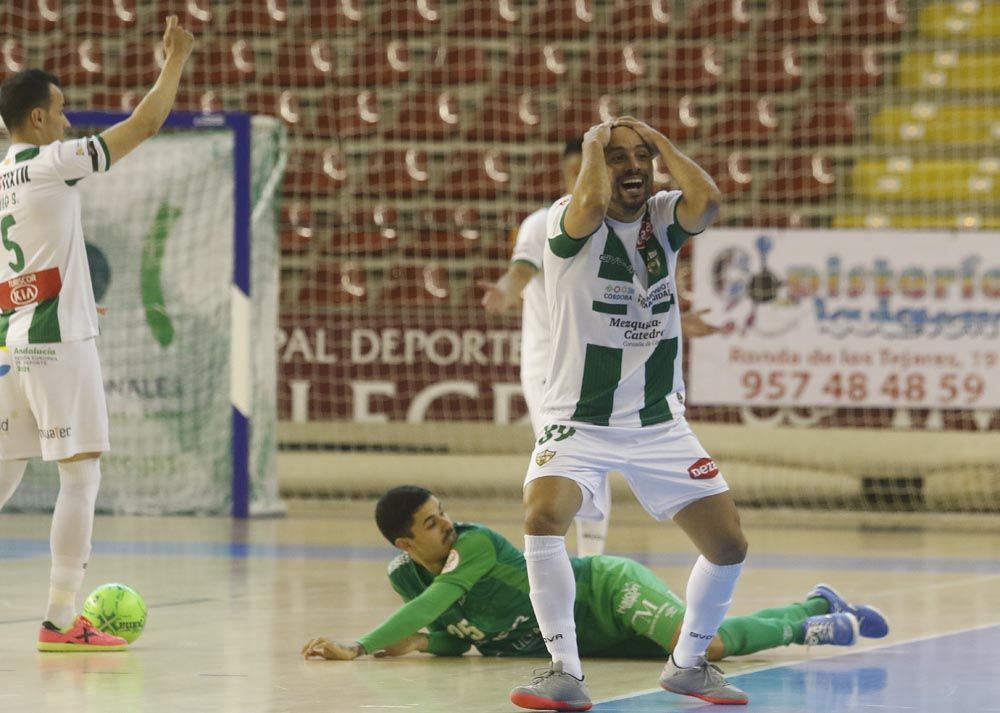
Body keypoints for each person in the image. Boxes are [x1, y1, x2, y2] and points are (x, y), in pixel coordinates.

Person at [511, 117, 747, 709]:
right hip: (579, 418)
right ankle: (564, 669)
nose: (632, 167)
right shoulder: (566, 220)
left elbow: (709, 200)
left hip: (659, 422)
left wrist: (660, 145)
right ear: (593, 164)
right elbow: (591, 200)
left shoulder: (663, 218)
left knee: (728, 546)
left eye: (639, 158)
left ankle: (688, 665)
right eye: (618, 158)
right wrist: (597, 145)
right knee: (542, 517)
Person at [0, 16, 194, 652]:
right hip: (56, 344)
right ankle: (60, 620)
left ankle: (61, 618)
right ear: (35, 119)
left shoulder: (2, 174)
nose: (67, 120)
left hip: (12, 344)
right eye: (59, 110)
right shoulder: (53, 160)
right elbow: (143, 126)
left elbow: (26, 264)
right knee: (80, 480)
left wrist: (68, 298)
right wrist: (175, 62)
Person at [300, 486, 887, 666]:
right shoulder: (406, 579)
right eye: (432, 524)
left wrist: (362, 644)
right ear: (406, 544)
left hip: (605, 593)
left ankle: (809, 622)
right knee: (705, 649)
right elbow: (467, 633)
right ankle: (815, 607)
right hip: (590, 643)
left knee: (706, 649)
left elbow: (442, 601)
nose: (447, 524)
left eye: (443, 512)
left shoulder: (474, 544)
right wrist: (424, 643)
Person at [480, 139, 720, 559]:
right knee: (574, 468)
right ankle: (588, 566)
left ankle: (591, 565)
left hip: (619, 363)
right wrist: (505, 291)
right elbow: (520, 270)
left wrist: (678, 320)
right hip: (554, 367)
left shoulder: (640, 224)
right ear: (566, 175)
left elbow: (633, 294)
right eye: (577, 170)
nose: (583, 178)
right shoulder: (545, 221)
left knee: (590, 470)